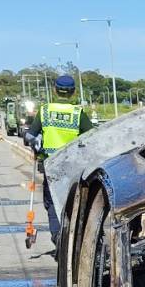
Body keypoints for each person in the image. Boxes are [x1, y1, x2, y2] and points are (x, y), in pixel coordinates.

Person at [27, 75, 91, 247]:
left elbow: (30, 135)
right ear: (73, 92)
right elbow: (92, 136)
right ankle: (75, 238)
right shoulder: (78, 114)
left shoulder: (45, 111)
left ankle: (57, 237)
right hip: (73, 167)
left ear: (55, 90)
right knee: (73, 201)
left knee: (52, 202)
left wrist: (36, 143)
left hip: (50, 166)